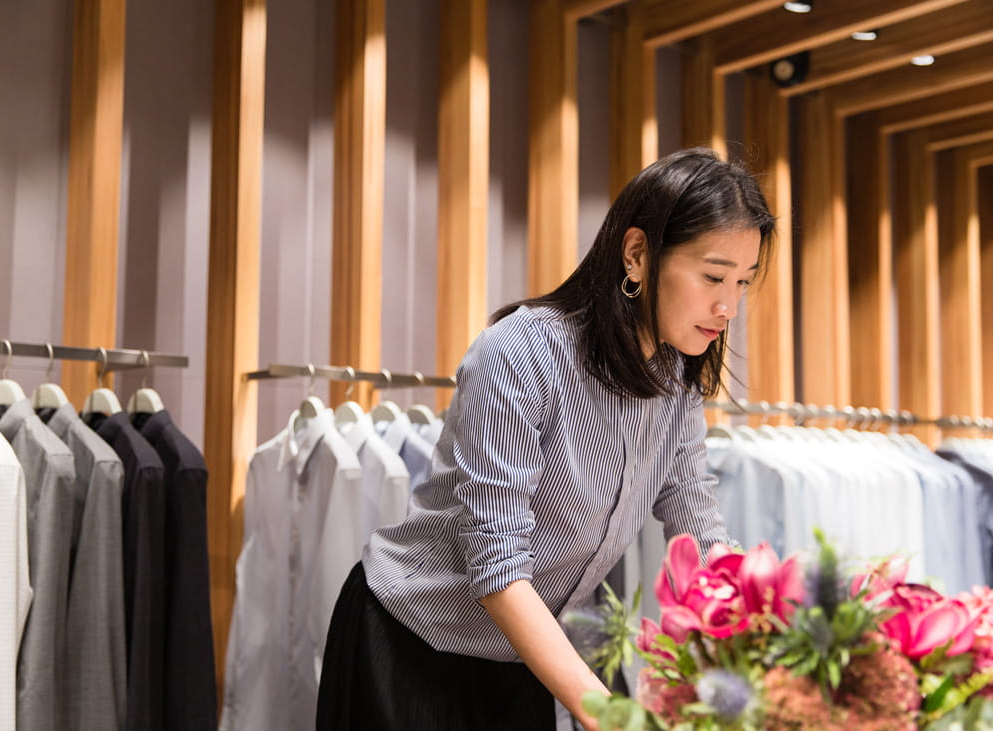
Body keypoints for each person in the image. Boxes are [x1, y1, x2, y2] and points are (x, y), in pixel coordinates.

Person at [316, 147, 776, 730]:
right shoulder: (521, 354)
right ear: (637, 254)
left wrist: (767, 636)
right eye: (713, 276)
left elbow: (697, 521)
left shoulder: (673, 382)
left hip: (520, 656)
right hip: (409, 646)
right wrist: (612, 715)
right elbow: (497, 567)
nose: (728, 306)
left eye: (743, 282)